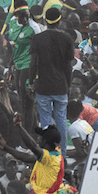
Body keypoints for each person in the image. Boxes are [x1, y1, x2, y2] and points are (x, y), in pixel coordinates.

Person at [30, 8, 74, 161]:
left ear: (45, 20)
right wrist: (68, 85)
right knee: (61, 118)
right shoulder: (67, 38)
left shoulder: (37, 38)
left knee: (45, 120)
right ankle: (62, 156)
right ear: (59, 21)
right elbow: (69, 66)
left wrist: (31, 82)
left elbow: (33, 64)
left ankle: (47, 155)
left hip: (43, 86)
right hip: (61, 85)